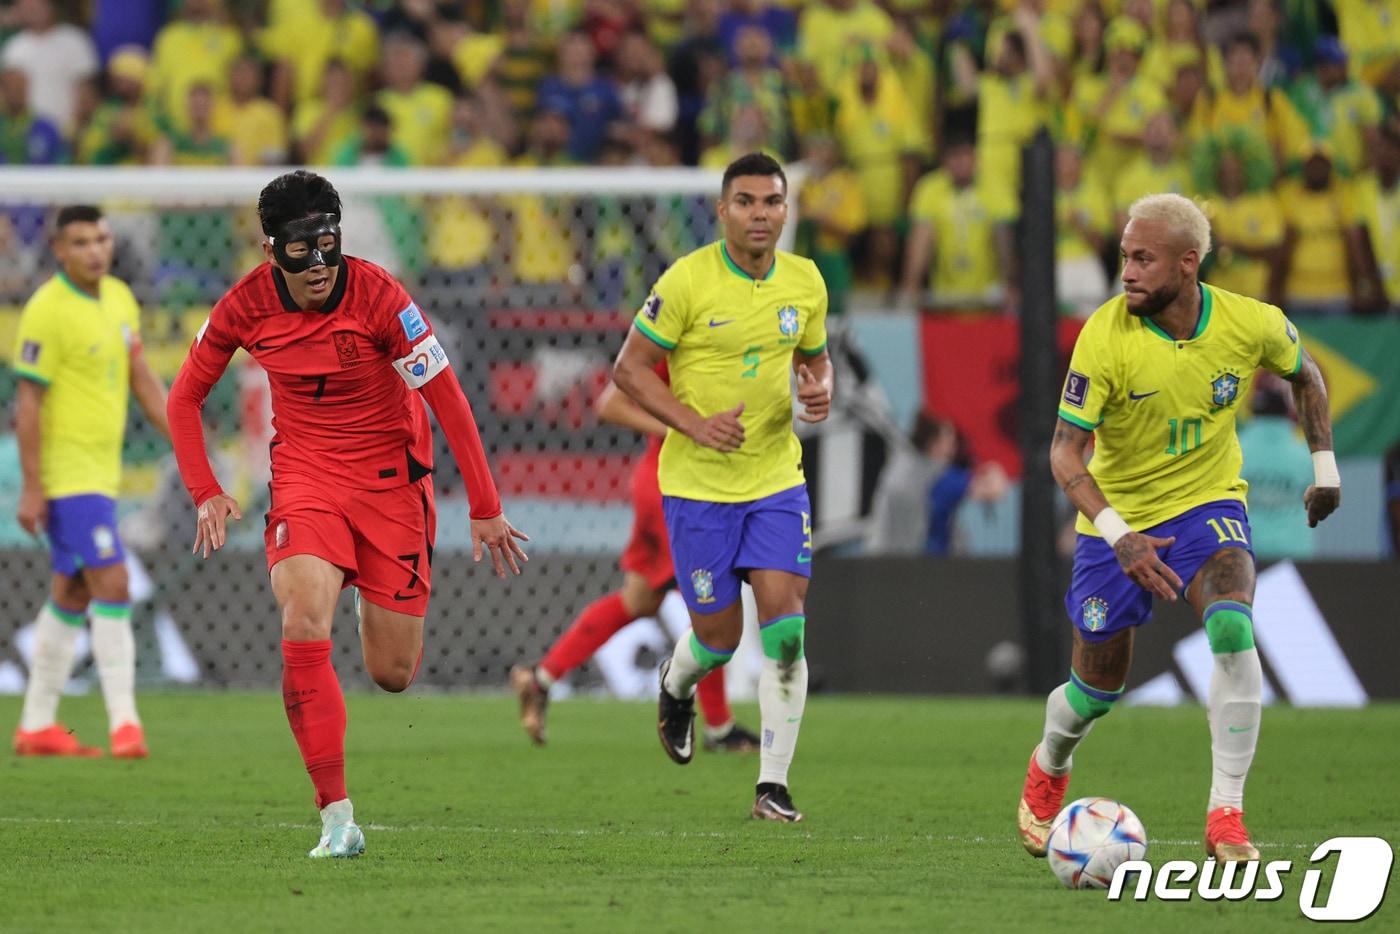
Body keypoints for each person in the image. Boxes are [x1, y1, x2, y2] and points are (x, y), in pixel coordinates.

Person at [165, 170, 527, 859]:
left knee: (393, 673)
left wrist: (485, 507)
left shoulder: (383, 297)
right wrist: (204, 488)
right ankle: (336, 816)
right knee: (302, 620)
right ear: (273, 251)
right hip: (306, 476)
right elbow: (184, 399)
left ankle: (362, 586)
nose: (319, 265)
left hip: (392, 482)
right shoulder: (243, 306)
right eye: (302, 251)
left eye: (328, 244)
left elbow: (448, 396)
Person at [1018, 193, 1340, 863]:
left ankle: (1226, 815)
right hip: (1119, 515)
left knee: (1231, 625)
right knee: (1094, 692)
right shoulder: (1104, 337)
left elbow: (1306, 374)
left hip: (1207, 502)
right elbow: (1063, 452)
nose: (1127, 272)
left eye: (1143, 259)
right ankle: (1049, 764)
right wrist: (1118, 533)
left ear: (1189, 264)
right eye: (1124, 257)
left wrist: (1326, 466)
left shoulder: (1251, 323)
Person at [612, 152, 833, 823]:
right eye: (745, 202)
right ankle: (677, 686)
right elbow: (629, 370)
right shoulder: (685, 282)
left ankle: (772, 785)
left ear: (786, 210)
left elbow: (815, 359)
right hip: (698, 486)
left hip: (774, 479)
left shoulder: (806, 282)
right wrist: (693, 424)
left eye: (771, 202)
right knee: (716, 638)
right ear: (722, 210)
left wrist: (819, 391)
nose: (759, 214)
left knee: (786, 633)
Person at [509, 374, 759, 753]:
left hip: (669, 482)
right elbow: (611, 404)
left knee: (639, 600)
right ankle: (720, 727)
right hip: (674, 487)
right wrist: (683, 428)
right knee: (709, 602)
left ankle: (540, 678)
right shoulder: (675, 331)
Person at [11, 205, 171, 758]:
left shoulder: (121, 298)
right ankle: (126, 724)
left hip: (103, 473)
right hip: (66, 475)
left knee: (73, 591)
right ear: (59, 249)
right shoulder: (47, 310)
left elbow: (143, 378)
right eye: (80, 242)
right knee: (114, 584)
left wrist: (185, 439)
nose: (95, 250)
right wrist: (33, 487)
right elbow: (27, 402)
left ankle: (35, 724)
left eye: (101, 239)